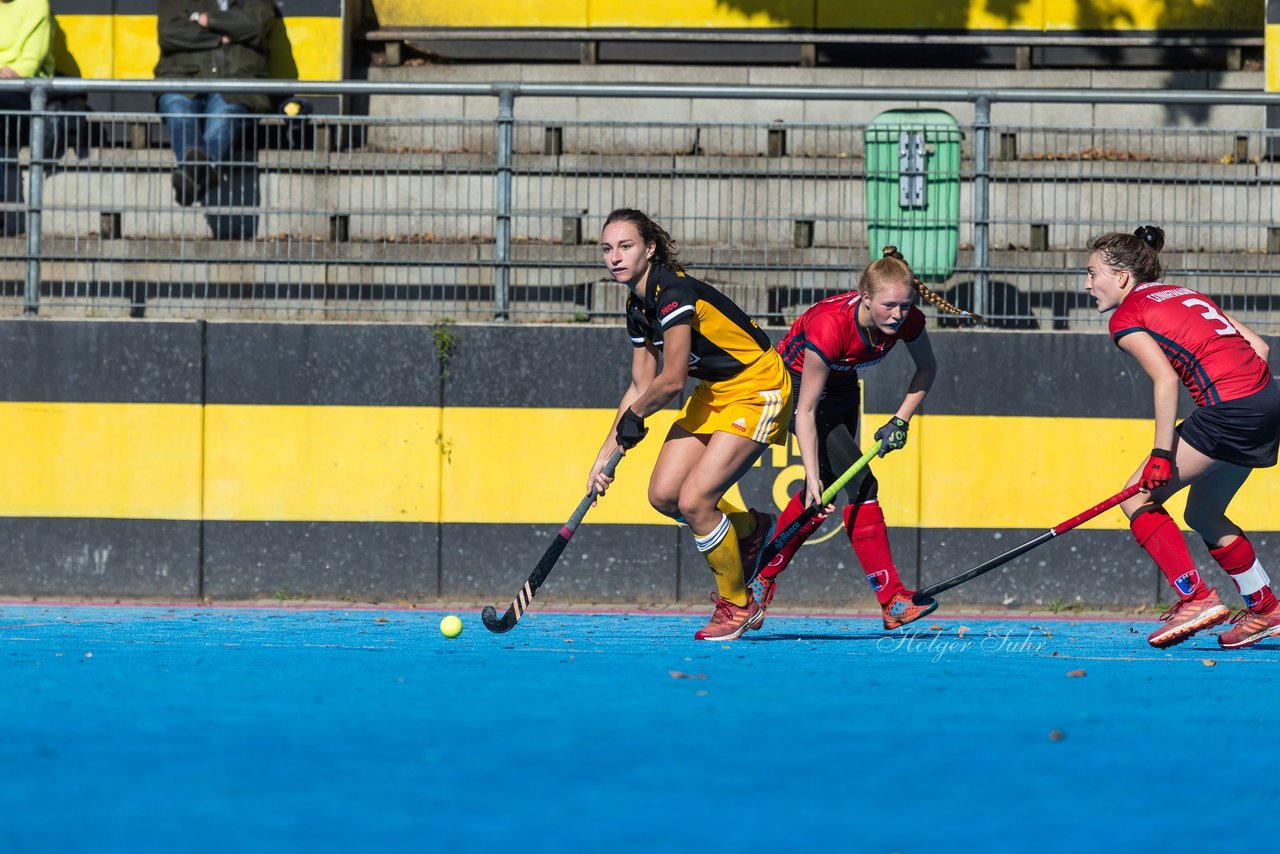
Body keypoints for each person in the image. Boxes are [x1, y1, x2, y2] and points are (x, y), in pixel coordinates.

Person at [747, 247, 979, 630]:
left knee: (832, 491)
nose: (897, 315)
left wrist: (899, 421)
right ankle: (891, 600)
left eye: (905, 306)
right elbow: (804, 411)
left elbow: (927, 367)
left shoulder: (906, 320)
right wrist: (809, 474)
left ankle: (760, 579)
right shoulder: (830, 326)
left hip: (840, 385)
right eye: (888, 306)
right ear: (865, 298)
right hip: (794, 384)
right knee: (856, 484)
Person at [589, 208, 791, 641]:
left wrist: (636, 418)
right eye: (607, 249)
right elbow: (640, 385)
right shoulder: (637, 308)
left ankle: (738, 604)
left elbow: (671, 383)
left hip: (757, 386)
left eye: (625, 247)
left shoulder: (672, 293)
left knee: (697, 499)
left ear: (650, 248)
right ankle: (750, 531)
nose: (615, 258)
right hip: (716, 392)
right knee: (664, 496)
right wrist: (604, 459)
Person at [1085, 226, 1280, 649]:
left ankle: (1195, 597)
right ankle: (1265, 607)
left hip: (1229, 411)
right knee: (1206, 515)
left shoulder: (1127, 316)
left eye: (1092, 273)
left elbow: (1165, 379)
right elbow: (1260, 349)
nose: (1087, 284)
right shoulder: (1184, 292)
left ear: (1121, 277)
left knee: (1135, 498)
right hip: (1267, 401)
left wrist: (1161, 452)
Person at [154, 0, 274, 206]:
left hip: (236, 82)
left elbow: (255, 26)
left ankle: (191, 175)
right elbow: (169, 33)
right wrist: (221, 37)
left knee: (223, 118)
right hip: (182, 79)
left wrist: (203, 19)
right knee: (178, 110)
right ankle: (204, 173)